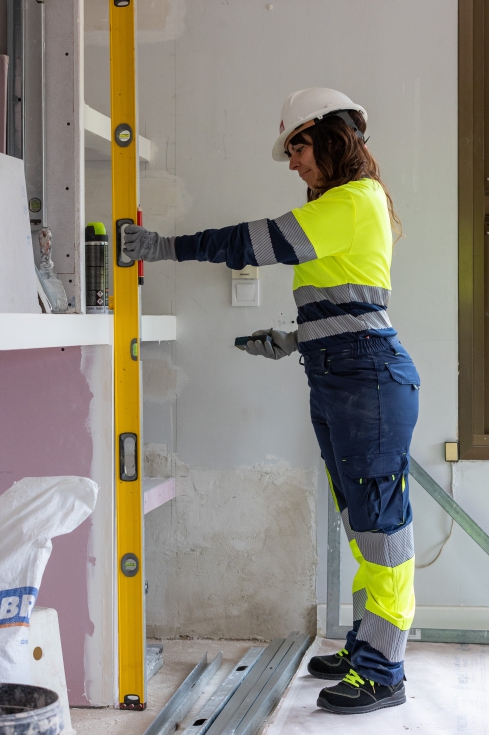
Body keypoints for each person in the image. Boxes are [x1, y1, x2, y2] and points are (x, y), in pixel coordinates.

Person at [123, 87, 419, 715]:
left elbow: (250, 243)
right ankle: (366, 647)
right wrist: (293, 339)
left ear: (332, 137)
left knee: (381, 529)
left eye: (298, 146)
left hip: (366, 379)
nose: (293, 162)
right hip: (344, 375)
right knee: (360, 524)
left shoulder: (354, 199)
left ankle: (383, 671)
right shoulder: (344, 206)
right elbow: (350, 302)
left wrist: (163, 247)